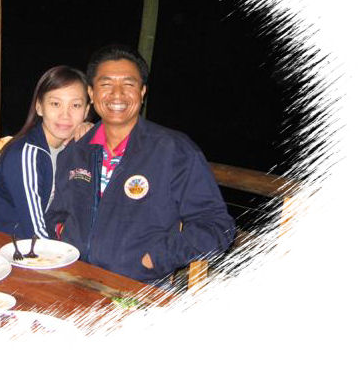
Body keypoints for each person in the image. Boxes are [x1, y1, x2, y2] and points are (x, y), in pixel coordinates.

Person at [45, 45, 235, 283]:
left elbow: (217, 226)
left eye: (128, 84)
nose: (117, 94)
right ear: (91, 93)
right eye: (106, 84)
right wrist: (65, 235)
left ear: (142, 91)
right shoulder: (75, 152)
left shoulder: (173, 151)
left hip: (140, 285)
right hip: (75, 278)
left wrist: (157, 258)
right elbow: (56, 214)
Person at [0, 66, 91, 239]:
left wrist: (95, 136)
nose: (65, 115)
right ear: (39, 107)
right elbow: (35, 231)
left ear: (86, 111)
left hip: (40, 243)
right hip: (3, 246)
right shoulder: (25, 154)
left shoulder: (74, 149)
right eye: (55, 104)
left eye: (75, 105)